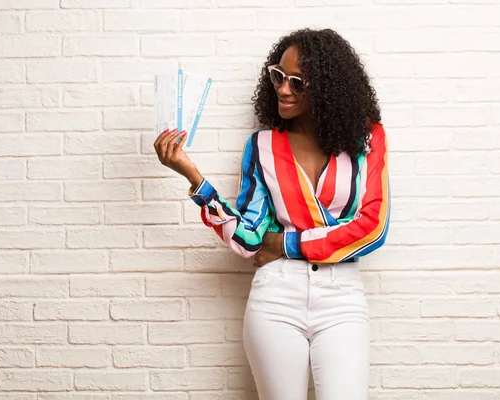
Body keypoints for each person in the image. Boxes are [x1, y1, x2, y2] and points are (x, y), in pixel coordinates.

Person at [154, 28, 390, 400]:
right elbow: (249, 240)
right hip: (276, 295)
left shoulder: (367, 140)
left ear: (327, 87)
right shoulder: (263, 146)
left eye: (298, 82)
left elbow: (372, 229)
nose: (283, 89)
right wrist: (194, 177)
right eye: (278, 76)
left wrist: (286, 242)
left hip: (341, 298)